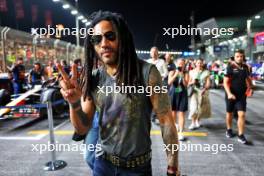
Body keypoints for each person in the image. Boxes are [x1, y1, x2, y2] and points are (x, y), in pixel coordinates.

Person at [58, 11, 180, 176]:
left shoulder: (147, 73)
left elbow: (166, 121)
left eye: (110, 36)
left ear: (122, 38)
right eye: (97, 39)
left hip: (138, 168)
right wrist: (74, 103)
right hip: (103, 165)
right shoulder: (94, 78)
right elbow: (82, 128)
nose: (104, 43)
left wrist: (172, 167)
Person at [223, 49, 253, 144]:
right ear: (234, 57)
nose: (239, 58)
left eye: (241, 56)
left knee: (242, 114)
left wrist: (250, 88)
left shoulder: (246, 67)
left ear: (243, 57)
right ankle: (228, 129)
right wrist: (229, 94)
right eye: (237, 56)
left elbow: (248, 79)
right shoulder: (230, 67)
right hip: (231, 94)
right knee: (230, 113)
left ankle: (241, 135)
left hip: (241, 95)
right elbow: (225, 82)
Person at [168, 58, 189, 141]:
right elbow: (169, 82)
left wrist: (182, 76)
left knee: (181, 113)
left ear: (184, 65)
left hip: (182, 94)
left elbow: (186, 84)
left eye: (182, 64)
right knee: (173, 113)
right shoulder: (172, 71)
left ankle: (181, 132)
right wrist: (176, 74)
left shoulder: (186, 73)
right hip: (173, 93)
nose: (180, 65)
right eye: (179, 64)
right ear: (176, 64)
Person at [147, 47, 168, 124]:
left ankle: (155, 117)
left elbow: (166, 73)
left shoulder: (162, 62)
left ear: (158, 53)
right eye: (152, 52)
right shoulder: (147, 62)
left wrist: (158, 76)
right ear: (150, 53)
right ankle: (151, 116)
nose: (154, 53)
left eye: (155, 52)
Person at [188, 58, 211, 130]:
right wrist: (193, 82)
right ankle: (193, 123)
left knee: (201, 107)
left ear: (203, 64)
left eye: (201, 63)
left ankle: (198, 120)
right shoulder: (191, 72)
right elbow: (188, 83)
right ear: (195, 64)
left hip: (203, 91)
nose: (199, 64)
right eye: (198, 63)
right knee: (194, 107)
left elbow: (208, 83)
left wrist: (205, 88)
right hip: (194, 91)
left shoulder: (206, 72)